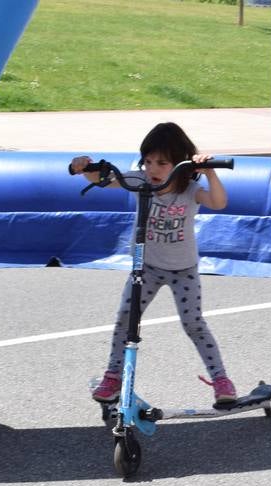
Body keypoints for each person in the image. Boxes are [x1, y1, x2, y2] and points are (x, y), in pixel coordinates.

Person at [71, 122, 237, 406]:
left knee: (193, 323)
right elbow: (101, 179)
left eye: (162, 163)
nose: (153, 169)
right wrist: (83, 167)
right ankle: (113, 376)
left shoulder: (190, 189)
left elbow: (219, 202)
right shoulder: (140, 182)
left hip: (183, 269)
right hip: (145, 266)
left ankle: (221, 380)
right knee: (126, 317)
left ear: (181, 163)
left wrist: (209, 171)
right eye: (148, 161)